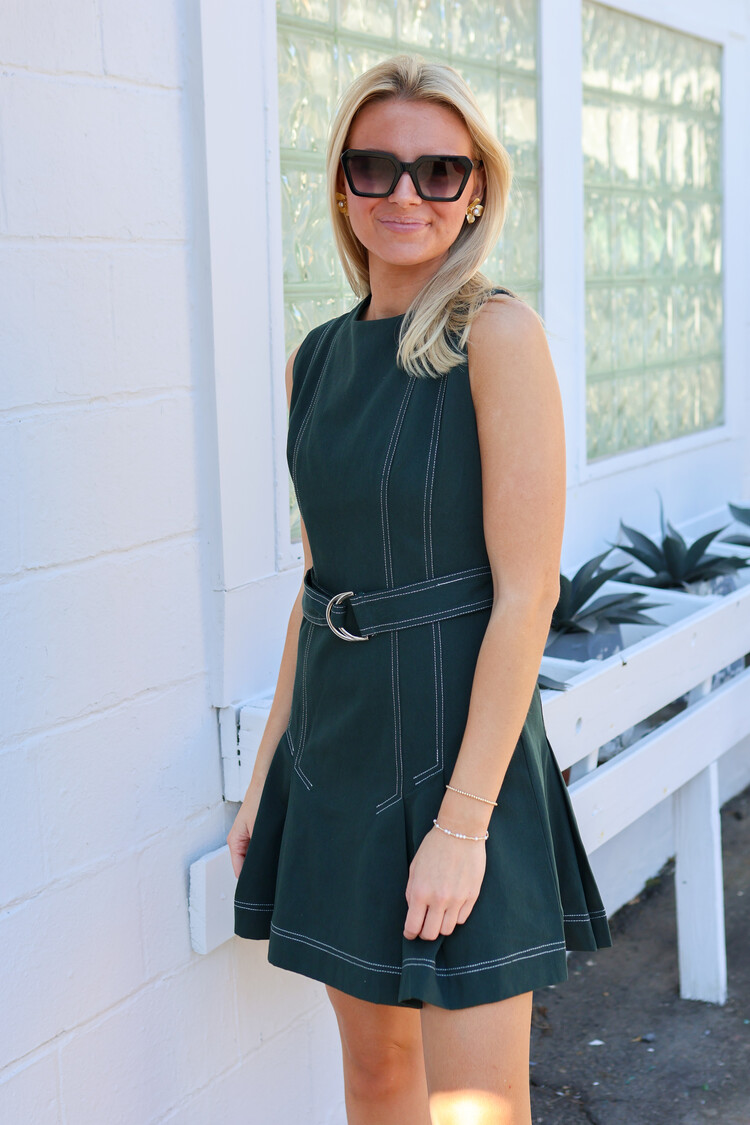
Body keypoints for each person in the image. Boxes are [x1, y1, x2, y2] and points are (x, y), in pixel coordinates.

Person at [228, 54, 612, 1125]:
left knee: (476, 1104)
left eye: (439, 170)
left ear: (476, 189)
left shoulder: (496, 335)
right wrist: (268, 775)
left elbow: (527, 594)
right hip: (338, 746)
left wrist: (464, 825)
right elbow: (319, 587)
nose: (407, 194)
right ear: (342, 184)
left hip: (459, 743)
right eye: (376, 166)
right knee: (375, 1075)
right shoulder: (315, 361)